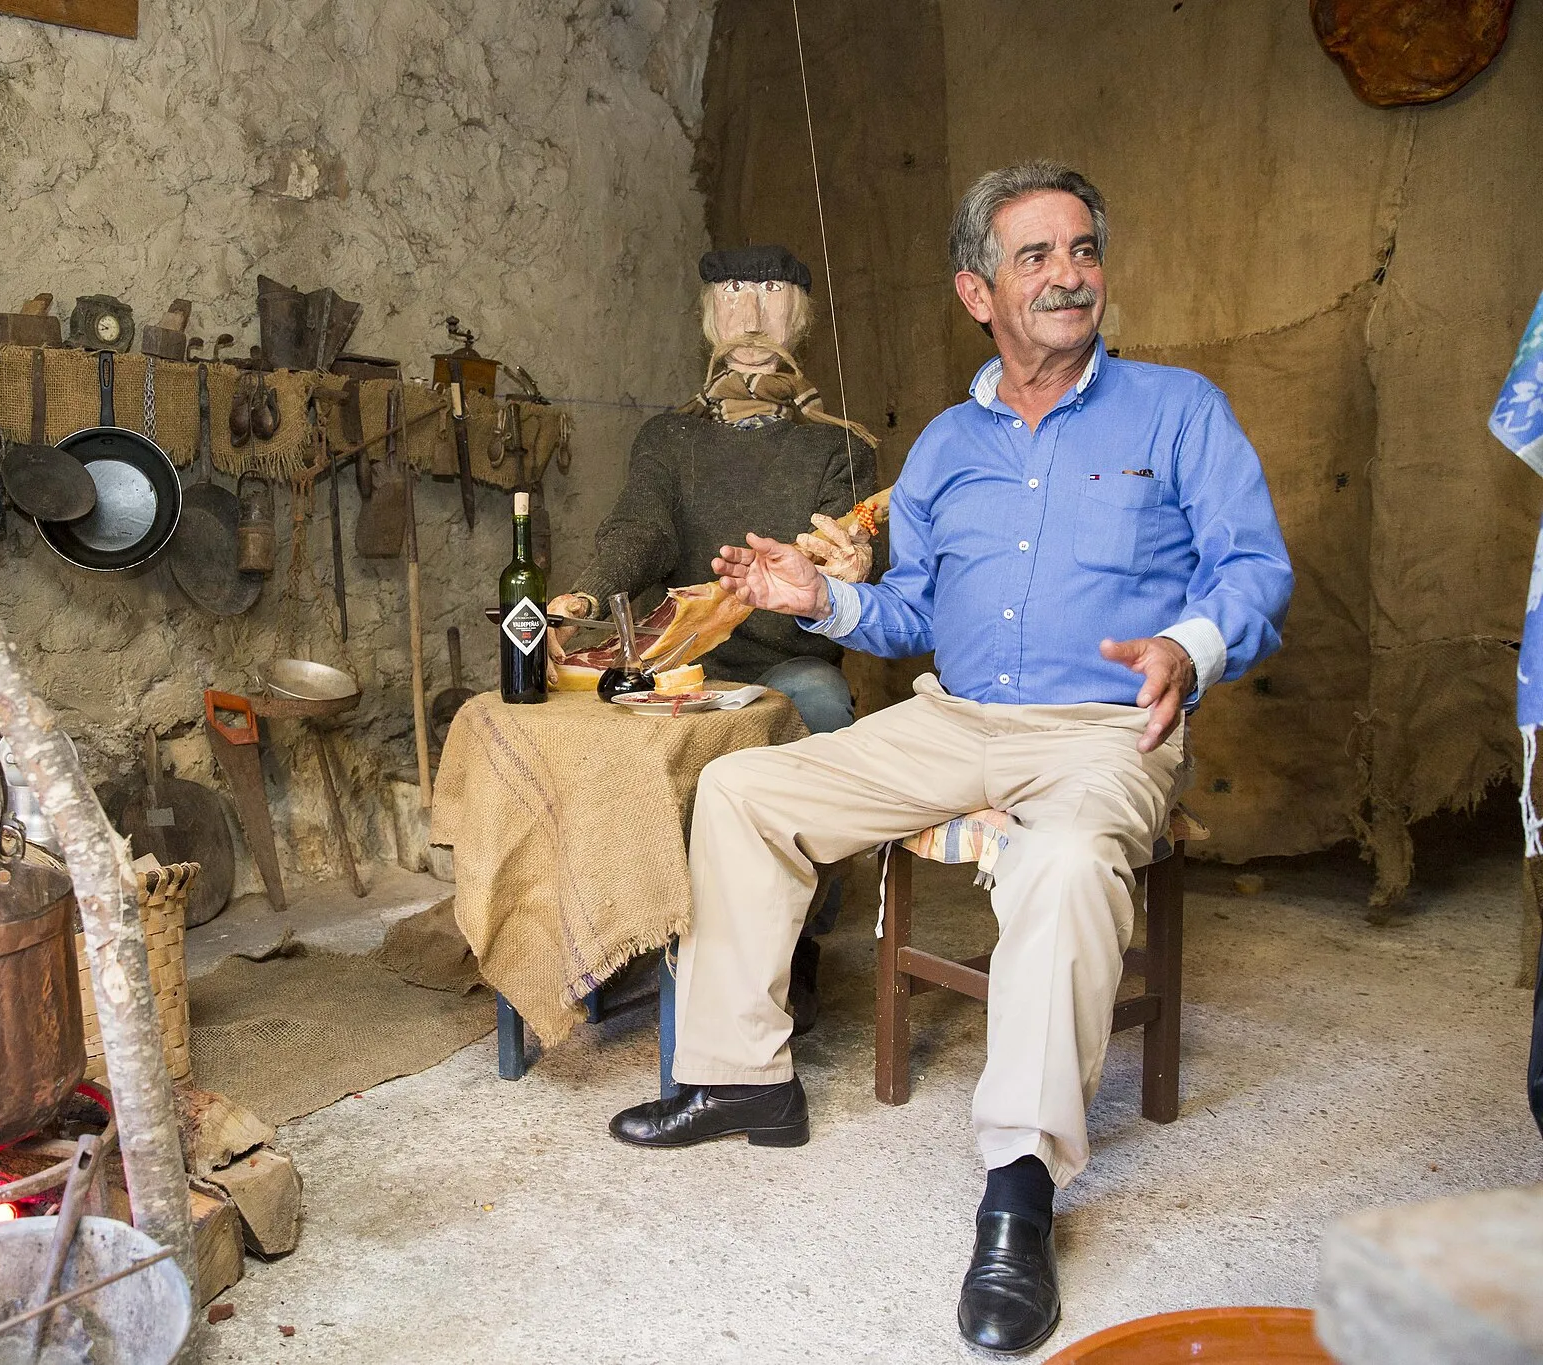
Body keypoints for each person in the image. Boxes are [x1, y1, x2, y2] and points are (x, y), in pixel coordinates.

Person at [607, 162, 1294, 1355]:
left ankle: (1018, 1190)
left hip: (1098, 725)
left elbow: (1254, 570)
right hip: (954, 716)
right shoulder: (940, 448)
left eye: (1080, 250)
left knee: (1066, 861)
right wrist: (819, 596)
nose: (1067, 274)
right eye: (1034, 257)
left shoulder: (1177, 412)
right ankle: (742, 1079)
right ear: (976, 291)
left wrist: (1187, 646)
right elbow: (910, 615)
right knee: (740, 787)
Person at [549, 244, 879, 1029]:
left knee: (823, 702)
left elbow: (860, 555)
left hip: (785, 660)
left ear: (799, 316)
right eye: (733, 296)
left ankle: (797, 943)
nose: (753, 316)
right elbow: (642, 526)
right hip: (678, 657)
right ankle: (620, 927)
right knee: (585, 720)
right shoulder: (669, 439)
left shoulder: (842, 447)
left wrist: (853, 563)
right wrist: (586, 590)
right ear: (707, 316)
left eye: (772, 296)